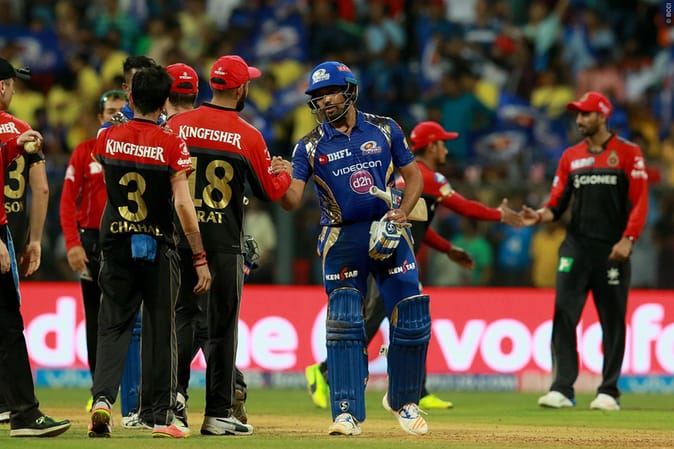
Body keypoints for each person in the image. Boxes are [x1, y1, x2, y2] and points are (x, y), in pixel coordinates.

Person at [305, 120, 523, 410]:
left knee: (412, 321)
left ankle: (417, 390)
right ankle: (323, 371)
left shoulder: (406, 179)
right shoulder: (427, 177)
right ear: (432, 147)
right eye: (443, 143)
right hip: (389, 263)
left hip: (390, 258)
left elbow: (417, 228)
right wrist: (499, 215)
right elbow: (465, 207)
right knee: (379, 321)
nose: (446, 150)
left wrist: (448, 249)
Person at [278, 60, 430, 436]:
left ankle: (405, 402)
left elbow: (414, 177)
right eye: (318, 96)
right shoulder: (308, 145)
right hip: (342, 238)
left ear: (349, 91)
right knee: (345, 323)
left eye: (331, 92)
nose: (325, 101)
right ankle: (346, 413)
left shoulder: (385, 128)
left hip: (388, 230)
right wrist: (276, 179)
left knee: (412, 316)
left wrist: (403, 211)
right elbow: (292, 200)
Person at [167, 55, 291, 436]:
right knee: (221, 329)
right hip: (223, 244)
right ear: (241, 89)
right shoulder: (248, 135)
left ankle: (173, 402)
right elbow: (270, 191)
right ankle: (217, 413)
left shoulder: (178, 125)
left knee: (181, 319)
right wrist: (285, 174)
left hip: (180, 239)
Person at [87, 65, 211, 439]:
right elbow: (183, 205)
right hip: (158, 244)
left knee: (112, 325)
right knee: (161, 329)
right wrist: (199, 255)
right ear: (164, 102)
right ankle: (160, 417)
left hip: (115, 243)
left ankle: (102, 400)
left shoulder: (107, 138)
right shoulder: (172, 143)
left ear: (130, 97)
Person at [521, 91, 648, 411]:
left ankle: (609, 392)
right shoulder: (570, 157)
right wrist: (539, 215)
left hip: (612, 251)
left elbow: (640, 202)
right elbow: (556, 204)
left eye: (586, 114)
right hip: (575, 249)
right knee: (564, 316)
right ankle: (562, 389)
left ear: (603, 116)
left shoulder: (628, 153)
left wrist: (629, 239)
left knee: (612, 322)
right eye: (578, 114)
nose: (579, 120)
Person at [0, 56, 71, 437]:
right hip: (8, 230)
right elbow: (41, 189)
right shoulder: (21, 128)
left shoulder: (17, 136)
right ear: (2, 87)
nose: (15, 91)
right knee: (8, 324)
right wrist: (34, 239)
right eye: (12, 84)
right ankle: (24, 414)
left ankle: (12, 406)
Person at [59, 89, 127, 408]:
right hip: (92, 242)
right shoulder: (84, 152)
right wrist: (73, 244)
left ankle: (131, 392)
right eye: (111, 111)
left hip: (126, 238)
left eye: (121, 111)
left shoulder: (135, 151)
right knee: (96, 318)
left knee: (131, 319)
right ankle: (99, 391)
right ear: (100, 116)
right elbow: (66, 202)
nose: (116, 116)